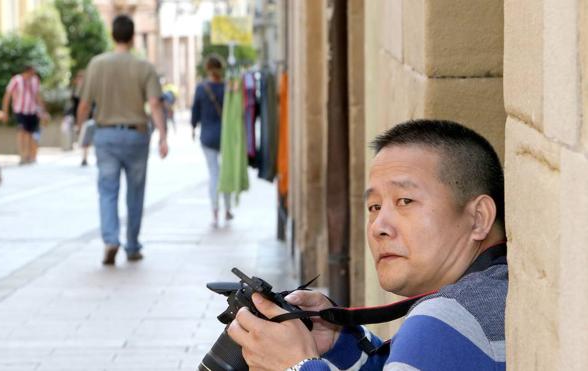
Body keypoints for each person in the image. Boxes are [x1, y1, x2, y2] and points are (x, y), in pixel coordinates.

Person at [228, 120, 508, 370]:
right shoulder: (497, 292)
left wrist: (295, 364)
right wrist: (340, 342)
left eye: (405, 201)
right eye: (374, 206)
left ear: (478, 217)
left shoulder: (445, 320)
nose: (378, 227)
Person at [77, 14, 168, 266]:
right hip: (136, 135)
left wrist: (79, 130)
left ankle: (110, 240)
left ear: (112, 34)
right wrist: (163, 136)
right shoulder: (144, 67)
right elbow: (154, 103)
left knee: (107, 189)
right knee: (135, 192)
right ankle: (132, 245)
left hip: (105, 134)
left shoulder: (96, 64)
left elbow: (84, 104)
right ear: (132, 35)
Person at [191, 55, 232, 226]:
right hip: (226, 136)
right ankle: (228, 209)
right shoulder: (228, 88)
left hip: (207, 136)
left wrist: (193, 128)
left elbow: (195, 112)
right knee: (226, 173)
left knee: (214, 174)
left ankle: (215, 212)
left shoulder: (202, 88)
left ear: (207, 69)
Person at [1, 65, 49, 165]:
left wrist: (43, 111)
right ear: (26, 71)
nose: (33, 75)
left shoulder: (35, 80)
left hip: (32, 111)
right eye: (31, 72)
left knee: (30, 133)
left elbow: (37, 96)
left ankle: (29, 155)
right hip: (20, 110)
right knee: (22, 131)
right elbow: (7, 95)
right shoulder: (16, 80)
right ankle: (22, 155)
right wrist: (5, 112)